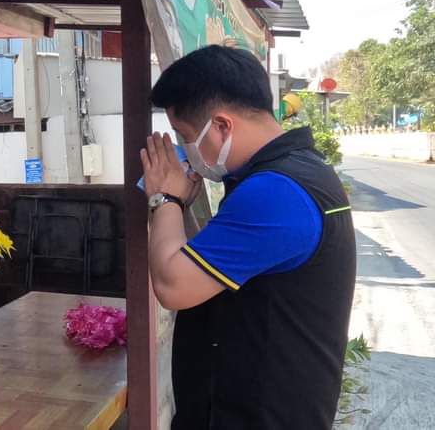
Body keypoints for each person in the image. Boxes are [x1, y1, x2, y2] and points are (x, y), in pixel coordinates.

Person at [140, 45, 356, 429]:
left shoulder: (275, 193)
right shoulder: (296, 173)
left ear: (222, 126)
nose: (186, 152)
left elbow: (174, 286)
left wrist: (165, 198)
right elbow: (209, 264)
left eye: (185, 136)